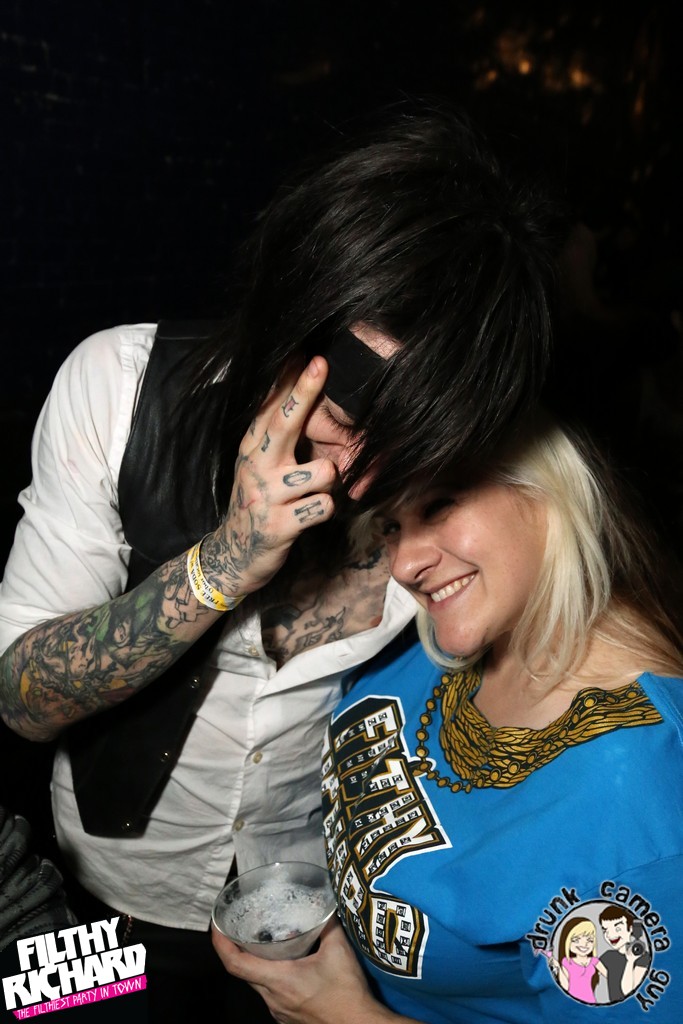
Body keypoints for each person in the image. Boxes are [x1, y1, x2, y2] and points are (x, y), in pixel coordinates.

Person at [0, 102, 565, 1021]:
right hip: (103, 904)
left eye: (414, 443)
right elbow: (20, 701)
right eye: (344, 419)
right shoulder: (116, 385)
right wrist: (222, 564)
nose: (362, 478)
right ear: (287, 320)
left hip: (317, 920)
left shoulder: (462, 494)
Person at [214, 414, 683, 1023]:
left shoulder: (636, 796)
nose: (405, 564)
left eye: (440, 505)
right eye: (390, 525)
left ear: (548, 490)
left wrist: (348, 1016)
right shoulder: (449, 629)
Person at [599, 905, 651, 1003]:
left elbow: (628, 992)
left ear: (630, 928)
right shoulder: (608, 956)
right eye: (605, 930)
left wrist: (630, 961)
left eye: (618, 929)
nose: (610, 935)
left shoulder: (643, 957)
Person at [549, 916, 606, 1004]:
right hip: (570, 1003)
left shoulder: (594, 961)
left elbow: (610, 976)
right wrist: (558, 968)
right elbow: (565, 986)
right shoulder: (566, 962)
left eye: (590, 940)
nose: (584, 944)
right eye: (576, 940)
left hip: (590, 1001)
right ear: (567, 941)